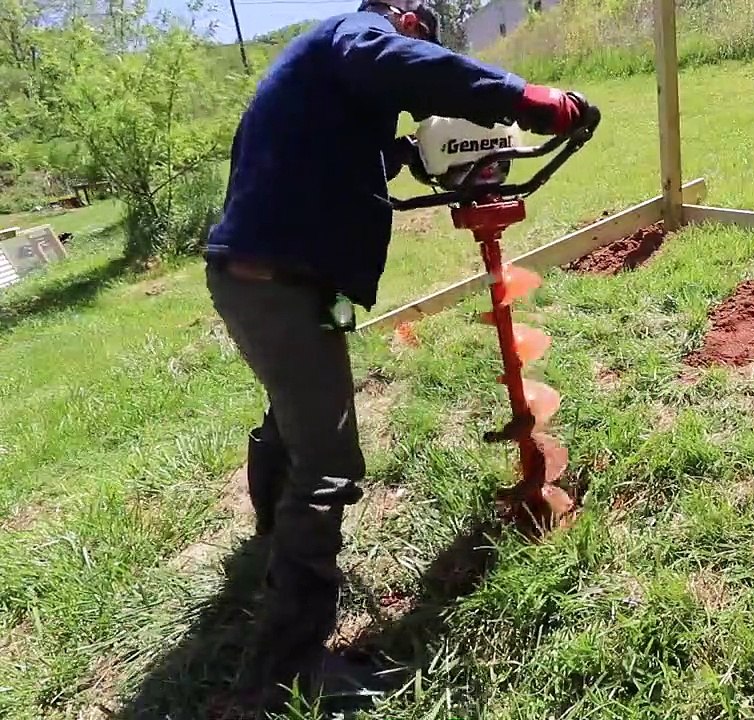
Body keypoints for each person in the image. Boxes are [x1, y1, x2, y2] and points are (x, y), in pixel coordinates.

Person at [201, 0, 594, 710]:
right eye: (422, 33)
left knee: (298, 406)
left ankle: (269, 540)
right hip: (281, 282)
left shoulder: (326, 83)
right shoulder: (358, 36)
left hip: (300, 282)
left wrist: (423, 156)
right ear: (407, 17)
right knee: (330, 462)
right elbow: (394, 65)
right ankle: (287, 671)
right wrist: (521, 98)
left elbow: (368, 150)